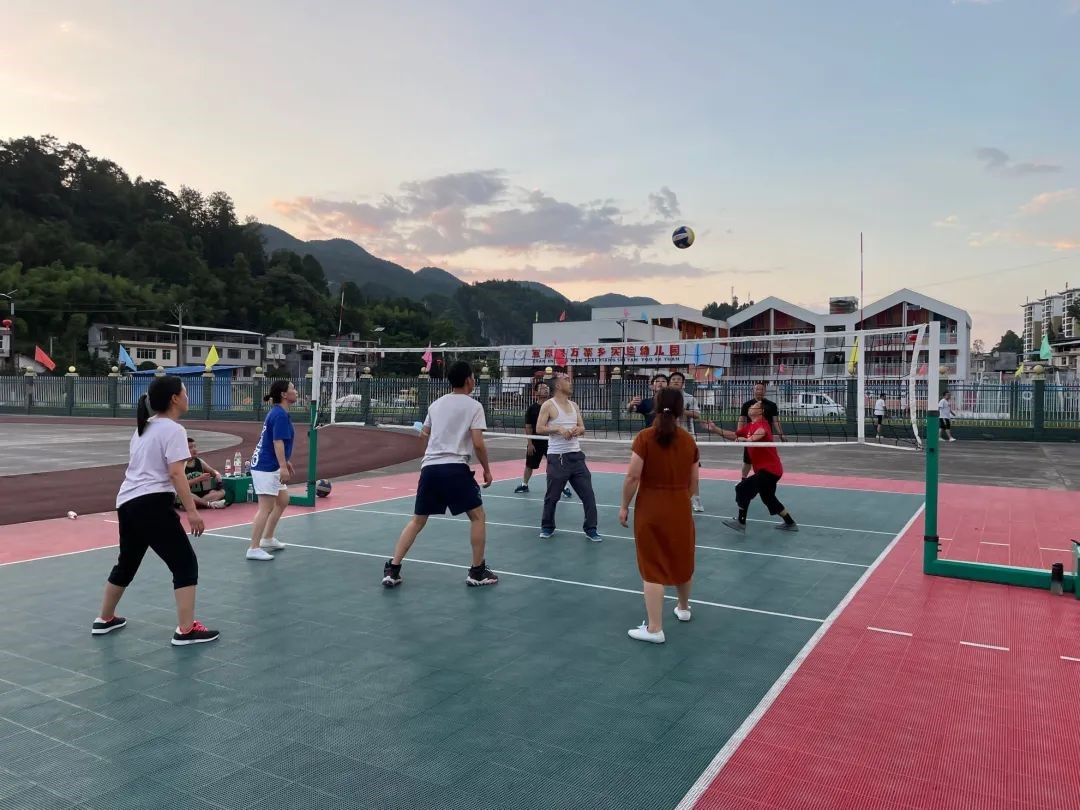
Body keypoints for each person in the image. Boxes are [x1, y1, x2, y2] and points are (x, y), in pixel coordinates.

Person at [92, 375, 219, 646]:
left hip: (127, 503)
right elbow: (176, 473)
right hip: (152, 504)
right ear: (174, 398)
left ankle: (105, 619)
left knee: (127, 563)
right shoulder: (174, 430)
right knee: (184, 563)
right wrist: (192, 511)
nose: (187, 397)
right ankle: (186, 630)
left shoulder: (144, 428)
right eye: (185, 392)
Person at [382, 361, 497, 588]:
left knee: (417, 520)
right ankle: (477, 572)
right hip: (455, 468)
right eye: (473, 377)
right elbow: (478, 443)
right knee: (478, 517)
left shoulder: (435, 404)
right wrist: (487, 469)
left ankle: (392, 570)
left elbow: (423, 435)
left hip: (430, 468)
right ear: (468, 380)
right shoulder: (474, 406)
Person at [619, 388, 699, 644]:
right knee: (682, 558)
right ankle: (683, 608)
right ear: (680, 409)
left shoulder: (644, 437)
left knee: (652, 567)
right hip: (680, 507)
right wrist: (679, 499)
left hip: (651, 508)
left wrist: (624, 506)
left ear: (655, 406)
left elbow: (633, 477)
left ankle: (655, 629)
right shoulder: (689, 441)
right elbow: (694, 484)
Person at [535, 373, 601, 541]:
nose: (570, 383)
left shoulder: (574, 405)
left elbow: (582, 427)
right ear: (558, 385)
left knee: (588, 495)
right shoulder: (548, 405)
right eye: (567, 380)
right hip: (557, 458)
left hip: (576, 457)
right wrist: (558, 429)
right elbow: (539, 428)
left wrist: (578, 430)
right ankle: (547, 526)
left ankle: (591, 528)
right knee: (552, 496)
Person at [720, 400, 798, 533]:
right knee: (768, 498)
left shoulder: (763, 424)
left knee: (742, 488)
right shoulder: (750, 426)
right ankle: (790, 523)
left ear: (760, 411)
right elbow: (734, 435)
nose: (750, 406)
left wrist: (747, 440)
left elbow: (761, 433)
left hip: (770, 470)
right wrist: (714, 429)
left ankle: (741, 522)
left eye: (754, 405)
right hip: (771, 470)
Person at [246, 380, 298, 561]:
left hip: (271, 465)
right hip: (266, 467)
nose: (296, 391)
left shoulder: (279, 412)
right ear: (284, 394)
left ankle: (267, 538)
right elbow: (277, 442)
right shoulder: (279, 415)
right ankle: (253, 548)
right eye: (292, 389)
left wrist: (285, 462)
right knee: (266, 508)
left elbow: (272, 441)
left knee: (283, 500)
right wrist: (283, 466)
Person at [515, 382, 571, 499]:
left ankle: (563, 487)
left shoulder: (553, 406)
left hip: (551, 441)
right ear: (535, 392)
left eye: (546, 388)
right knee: (529, 464)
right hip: (535, 441)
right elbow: (528, 427)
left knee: (555, 465)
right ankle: (524, 485)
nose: (545, 390)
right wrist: (530, 443)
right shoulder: (531, 409)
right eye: (542, 388)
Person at [668, 372, 705, 513]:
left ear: (683, 383)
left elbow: (697, 414)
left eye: (679, 379)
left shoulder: (690, 398)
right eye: (673, 379)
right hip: (670, 437)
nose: (676, 381)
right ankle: (674, 497)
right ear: (670, 382)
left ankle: (696, 499)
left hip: (688, 437)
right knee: (671, 469)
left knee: (692, 470)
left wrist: (682, 411)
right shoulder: (666, 397)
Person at [738, 383, 784, 479]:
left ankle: (765, 479)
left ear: (765, 391)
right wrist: (739, 433)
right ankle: (743, 479)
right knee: (747, 461)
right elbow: (742, 419)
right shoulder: (747, 405)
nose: (759, 391)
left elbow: (776, 421)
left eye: (761, 389)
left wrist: (781, 434)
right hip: (751, 436)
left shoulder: (772, 405)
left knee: (766, 460)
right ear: (753, 391)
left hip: (765, 438)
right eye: (757, 389)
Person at [174, 437, 227, 509]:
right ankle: (209, 504)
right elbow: (180, 485)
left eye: (195, 446)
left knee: (222, 492)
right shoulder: (180, 465)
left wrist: (217, 475)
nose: (194, 449)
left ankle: (197, 503)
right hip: (188, 494)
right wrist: (199, 479)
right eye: (190, 447)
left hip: (201, 495)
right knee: (188, 495)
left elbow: (213, 471)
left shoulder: (199, 461)